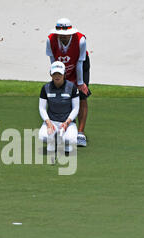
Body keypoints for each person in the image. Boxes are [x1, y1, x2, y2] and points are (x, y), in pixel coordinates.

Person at [46, 18, 91, 147]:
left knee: (81, 96)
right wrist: (56, 75)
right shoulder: (50, 39)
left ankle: (80, 133)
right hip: (60, 65)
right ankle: (63, 127)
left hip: (80, 65)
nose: (63, 37)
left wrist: (80, 83)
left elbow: (80, 62)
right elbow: (53, 61)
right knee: (62, 93)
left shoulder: (81, 40)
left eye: (66, 35)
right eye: (60, 35)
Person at [38, 61, 79, 154]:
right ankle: (55, 139)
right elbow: (42, 108)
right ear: (50, 74)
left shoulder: (72, 87)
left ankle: (63, 141)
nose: (57, 76)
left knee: (70, 140)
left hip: (68, 123)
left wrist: (67, 123)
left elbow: (76, 108)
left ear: (64, 74)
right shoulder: (46, 88)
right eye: (54, 74)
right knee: (42, 137)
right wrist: (48, 123)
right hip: (52, 121)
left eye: (59, 74)